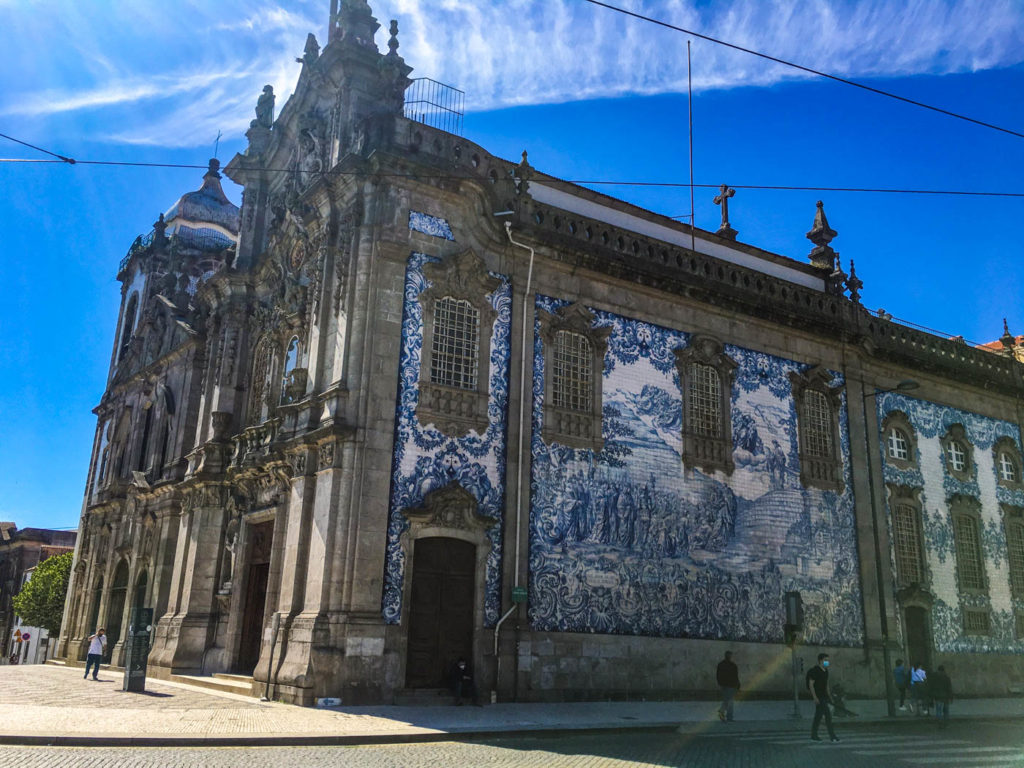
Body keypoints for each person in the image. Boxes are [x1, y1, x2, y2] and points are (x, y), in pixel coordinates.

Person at [806, 652, 839, 742]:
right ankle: (832, 736)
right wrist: (815, 697)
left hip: (824, 697)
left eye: (828, 660)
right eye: (825, 660)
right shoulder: (815, 671)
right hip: (819, 697)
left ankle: (814, 735)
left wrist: (830, 696)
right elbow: (811, 684)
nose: (827, 662)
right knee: (827, 716)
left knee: (818, 717)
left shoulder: (826, 671)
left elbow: (826, 685)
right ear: (820, 661)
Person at [716, 650, 740, 722]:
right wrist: (737, 684)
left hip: (725, 685)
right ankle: (727, 715)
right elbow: (735, 676)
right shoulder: (733, 665)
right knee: (730, 701)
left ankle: (723, 713)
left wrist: (720, 683)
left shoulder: (721, 664)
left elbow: (718, 675)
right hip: (731, 685)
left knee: (727, 700)